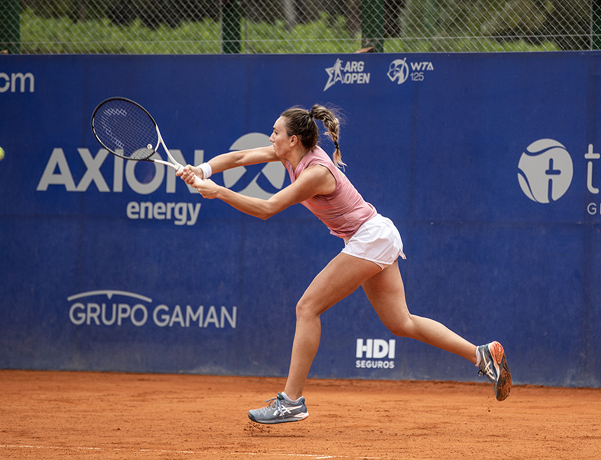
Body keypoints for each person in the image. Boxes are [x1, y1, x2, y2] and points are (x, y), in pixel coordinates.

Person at [178, 104, 512, 425]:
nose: (270, 137)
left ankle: (291, 402)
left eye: (275, 132)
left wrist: (218, 192)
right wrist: (202, 171)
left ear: (293, 140)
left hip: (370, 237)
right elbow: (238, 157)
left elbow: (268, 208)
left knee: (307, 307)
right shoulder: (287, 154)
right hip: (373, 235)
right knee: (401, 322)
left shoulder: (315, 172)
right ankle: (481, 354)